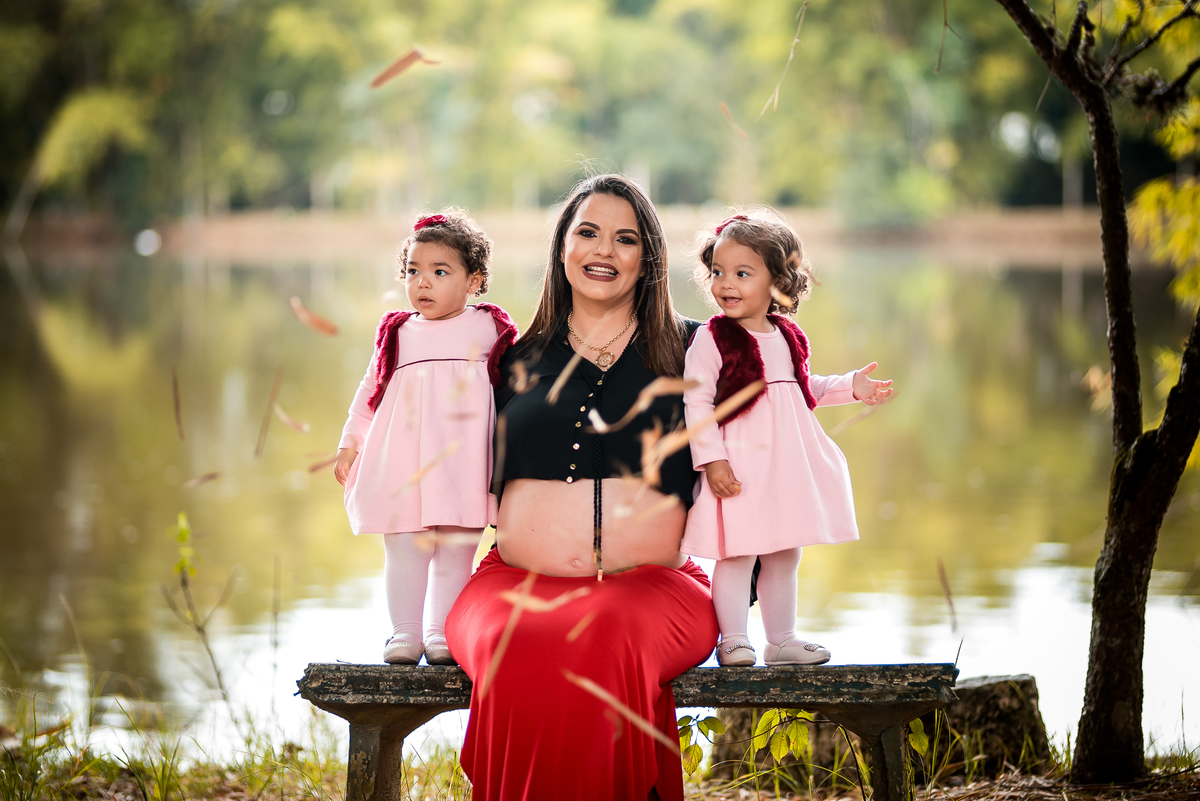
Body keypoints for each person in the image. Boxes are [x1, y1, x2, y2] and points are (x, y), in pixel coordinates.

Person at [445, 175, 718, 801]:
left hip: (654, 590)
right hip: (509, 583)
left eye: (626, 239)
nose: (604, 250)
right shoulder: (506, 355)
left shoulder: (696, 350)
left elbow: (769, 456)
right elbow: (421, 417)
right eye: (588, 232)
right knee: (526, 636)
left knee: (602, 631)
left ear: (648, 259)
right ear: (561, 248)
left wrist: (748, 593)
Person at [681, 211, 893, 668]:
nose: (726, 284)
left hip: (785, 465)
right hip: (740, 465)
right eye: (718, 272)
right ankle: (734, 638)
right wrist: (711, 460)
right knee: (737, 552)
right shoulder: (713, 338)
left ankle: (781, 639)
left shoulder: (787, 335)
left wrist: (849, 386)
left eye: (742, 273)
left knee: (783, 552)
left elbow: (802, 387)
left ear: (778, 283)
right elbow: (696, 404)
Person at [334, 208, 517, 666]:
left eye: (440, 272)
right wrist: (350, 442)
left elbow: (516, 387)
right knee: (405, 548)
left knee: (456, 549)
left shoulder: (490, 327)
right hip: (404, 459)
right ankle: (405, 633)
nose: (423, 283)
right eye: (413, 271)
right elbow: (369, 392)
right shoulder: (398, 331)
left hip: (463, 459)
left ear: (474, 280)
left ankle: (440, 633)